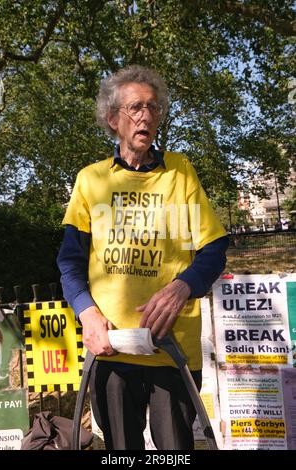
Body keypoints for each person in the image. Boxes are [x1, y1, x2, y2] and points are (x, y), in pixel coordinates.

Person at [57, 65, 229, 450]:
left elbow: (213, 249)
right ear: (113, 119)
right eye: (135, 107)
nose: (146, 116)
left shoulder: (180, 173)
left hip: (172, 351)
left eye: (153, 107)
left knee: (175, 452)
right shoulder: (91, 180)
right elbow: (69, 261)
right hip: (110, 348)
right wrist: (87, 314)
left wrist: (182, 287)